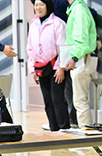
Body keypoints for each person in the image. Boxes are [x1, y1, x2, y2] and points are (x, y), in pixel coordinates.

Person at [30, 0, 78, 128]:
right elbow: (30, 48)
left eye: (41, 4)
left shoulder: (58, 23)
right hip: (40, 67)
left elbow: (63, 47)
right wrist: (32, 69)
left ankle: (64, 128)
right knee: (48, 102)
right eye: (36, 5)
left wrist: (60, 68)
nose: (38, 7)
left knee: (58, 101)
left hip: (55, 67)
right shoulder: (34, 24)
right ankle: (53, 129)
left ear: (48, 6)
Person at [64, 0, 97, 128]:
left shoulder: (79, 10)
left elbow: (82, 40)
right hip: (81, 59)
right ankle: (86, 134)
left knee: (80, 101)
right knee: (79, 100)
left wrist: (74, 58)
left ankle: (87, 136)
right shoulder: (75, 9)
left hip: (82, 59)